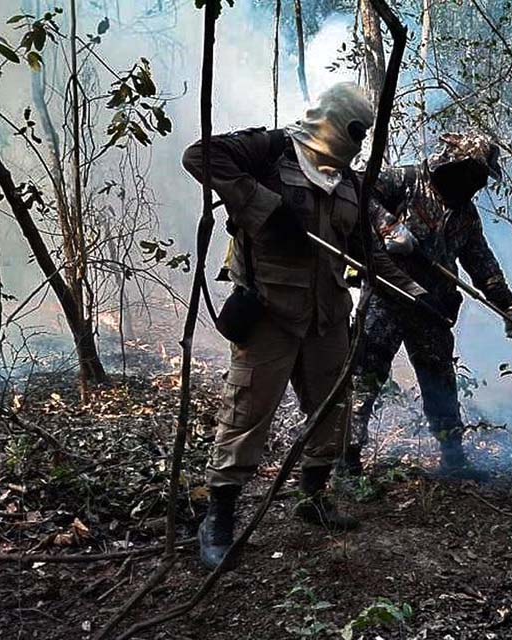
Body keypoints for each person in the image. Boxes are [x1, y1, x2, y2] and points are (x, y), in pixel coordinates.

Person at [182, 83, 427, 569]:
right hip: (269, 313)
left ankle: (312, 496)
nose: (358, 142)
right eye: (354, 130)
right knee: (247, 413)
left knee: (331, 409)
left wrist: (414, 293)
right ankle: (220, 517)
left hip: (327, 317)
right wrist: (267, 209)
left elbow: (367, 252)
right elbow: (199, 156)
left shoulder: (351, 184)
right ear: (332, 120)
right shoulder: (270, 150)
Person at [345, 132, 512, 481]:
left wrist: (509, 309)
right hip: (387, 298)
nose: (478, 184)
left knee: (440, 383)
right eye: (475, 174)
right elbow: (357, 191)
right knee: (364, 378)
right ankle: (348, 459)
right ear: (455, 164)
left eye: (482, 178)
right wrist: (388, 226)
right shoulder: (403, 181)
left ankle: (453, 458)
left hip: (432, 308)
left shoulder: (465, 215)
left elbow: (482, 263)